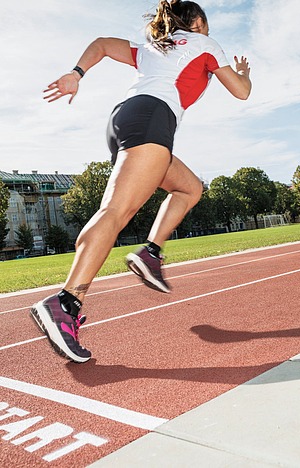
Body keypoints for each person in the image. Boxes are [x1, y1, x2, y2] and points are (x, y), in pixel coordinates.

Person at [30, 0, 251, 363]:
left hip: (127, 119)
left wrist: (76, 73)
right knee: (115, 212)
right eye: (206, 22)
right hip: (152, 119)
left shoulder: (153, 48)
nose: (208, 29)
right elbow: (241, 91)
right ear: (196, 21)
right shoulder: (204, 44)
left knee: (189, 187)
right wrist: (244, 72)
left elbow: (101, 43)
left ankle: (150, 252)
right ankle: (65, 303)